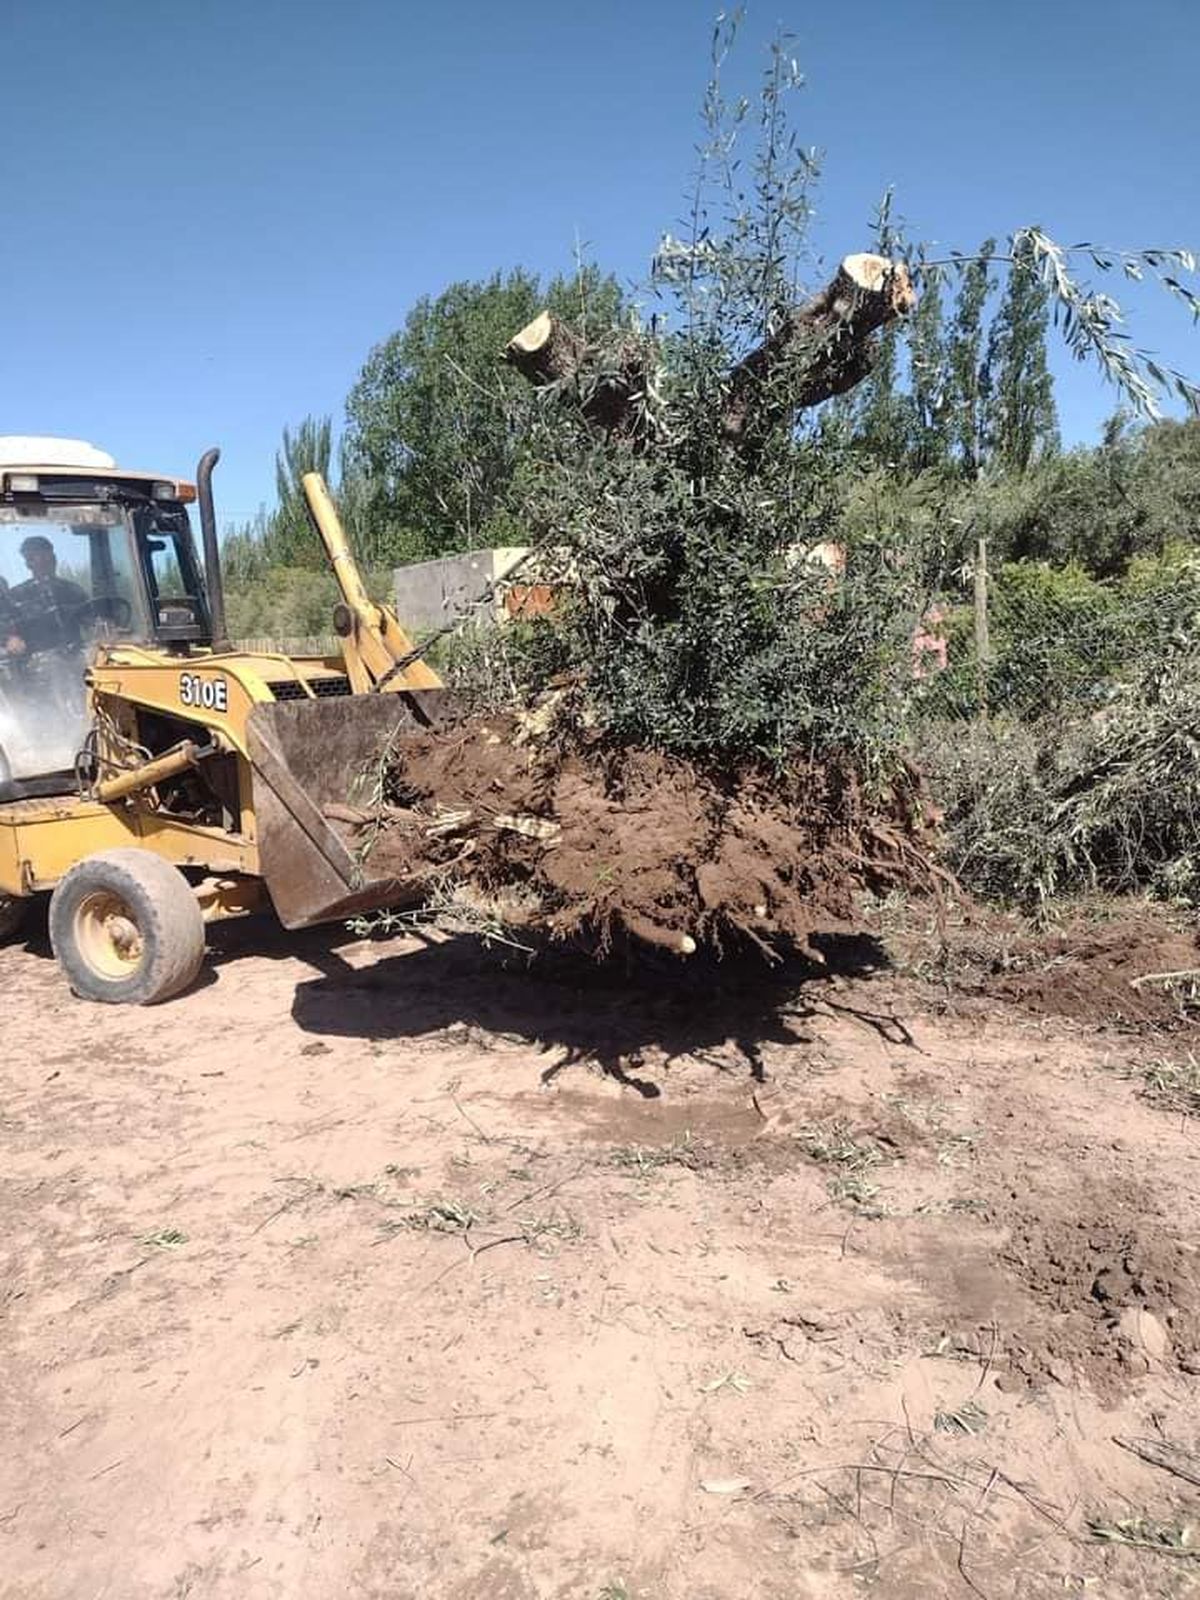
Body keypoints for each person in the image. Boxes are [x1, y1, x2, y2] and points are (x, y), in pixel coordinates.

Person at [4, 536, 88, 657]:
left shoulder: (73, 590)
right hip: (34, 665)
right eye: (42, 558)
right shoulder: (16, 595)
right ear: (29, 563)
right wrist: (10, 638)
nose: (50, 561)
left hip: (77, 659)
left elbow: (91, 619)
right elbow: (4, 625)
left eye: (51, 557)